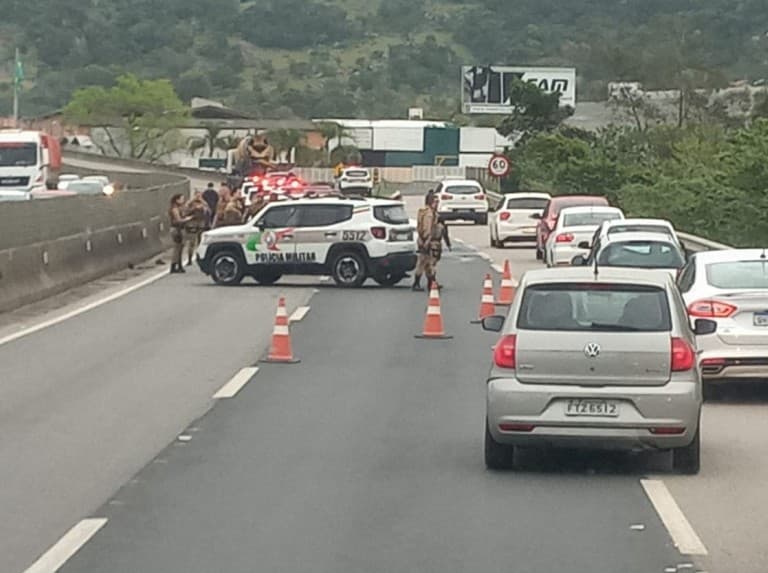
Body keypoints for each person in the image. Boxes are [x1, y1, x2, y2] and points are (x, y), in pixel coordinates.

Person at [413, 191, 439, 291]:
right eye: (436, 202)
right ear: (432, 202)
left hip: (421, 240)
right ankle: (417, 283)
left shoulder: (422, 211)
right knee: (423, 262)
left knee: (427, 263)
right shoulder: (429, 214)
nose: (437, 204)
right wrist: (427, 239)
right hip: (426, 241)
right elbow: (427, 228)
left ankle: (431, 282)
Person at [184, 191, 210, 266]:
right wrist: (193, 207)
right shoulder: (190, 203)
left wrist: (202, 202)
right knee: (191, 242)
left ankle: (200, 257)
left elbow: (208, 211)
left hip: (201, 224)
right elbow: (185, 211)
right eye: (197, 195)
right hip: (192, 224)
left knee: (200, 242)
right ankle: (189, 259)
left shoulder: (203, 203)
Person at [169, 194, 192, 274]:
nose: (183, 200)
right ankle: (174, 265)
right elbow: (178, 220)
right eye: (181, 199)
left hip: (180, 229)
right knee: (177, 248)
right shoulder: (174, 209)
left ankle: (178, 265)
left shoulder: (179, 208)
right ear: (177, 200)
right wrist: (187, 219)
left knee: (180, 248)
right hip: (176, 229)